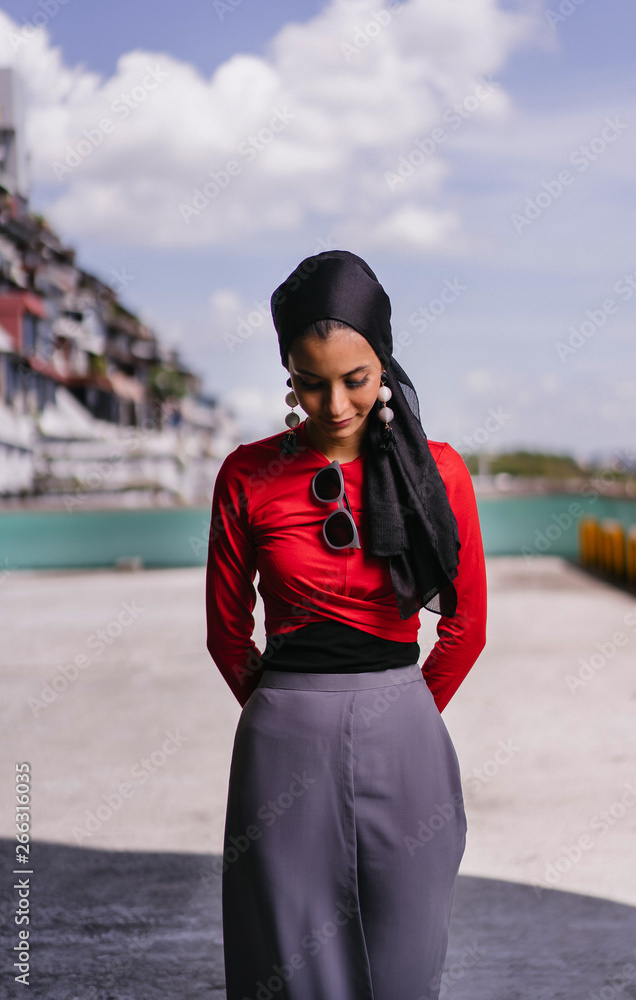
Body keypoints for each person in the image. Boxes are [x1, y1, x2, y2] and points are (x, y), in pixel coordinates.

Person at [205, 250, 487, 1000]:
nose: (333, 403)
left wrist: (401, 710)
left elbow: (465, 628)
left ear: (384, 364)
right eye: (309, 381)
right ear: (288, 379)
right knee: (287, 971)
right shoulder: (246, 474)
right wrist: (288, 710)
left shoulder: (442, 472)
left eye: (354, 379)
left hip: (405, 731)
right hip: (282, 739)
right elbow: (226, 634)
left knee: (405, 965)